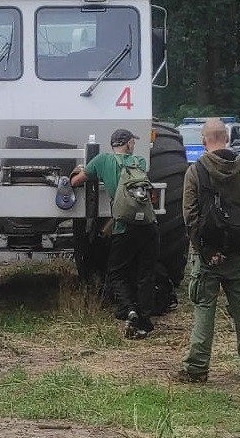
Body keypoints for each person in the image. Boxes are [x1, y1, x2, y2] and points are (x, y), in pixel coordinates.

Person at [173, 118, 240, 383]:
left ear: (204, 140)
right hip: (239, 253)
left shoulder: (196, 171)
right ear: (226, 138)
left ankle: (197, 367)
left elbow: (189, 216)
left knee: (205, 307)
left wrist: (203, 250)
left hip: (208, 254)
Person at [70, 129, 159, 339]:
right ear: (128, 143)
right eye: (132, 142)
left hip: (123, 227)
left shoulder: (102, 161)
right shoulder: (139, 162)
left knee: (116, 271)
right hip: (149, 226)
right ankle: (145, 323)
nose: (134, 146)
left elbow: (76, 182)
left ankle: (129, 310)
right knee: (146, 272)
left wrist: (79, 170)